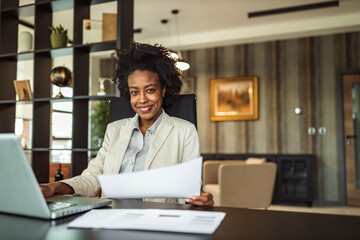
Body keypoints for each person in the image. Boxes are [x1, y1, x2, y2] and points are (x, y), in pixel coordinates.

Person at [40, 42, 214, 207]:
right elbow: (92, 178)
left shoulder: (184, 131)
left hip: (158, 219)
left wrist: (200, 198)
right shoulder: (114, 130)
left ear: (163, 90)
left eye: (150, 90)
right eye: (134, 92)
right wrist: (54, 187)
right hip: (111, 216)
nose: (142, 99)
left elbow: (189, 188)